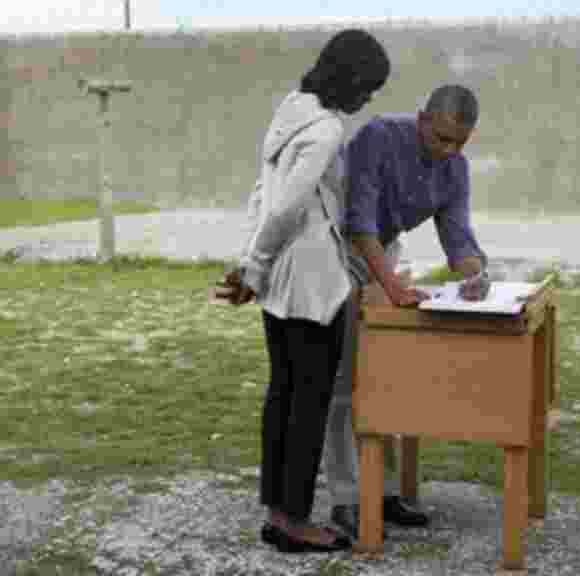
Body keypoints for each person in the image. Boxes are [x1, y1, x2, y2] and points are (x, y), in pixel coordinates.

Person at [212, 29, 390, 553]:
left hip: (280, 283)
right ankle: (293, 522)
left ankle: (279, 514)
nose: (367, 100)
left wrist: (252, 268)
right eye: (368, 88)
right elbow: (287, 208)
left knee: (283, 397)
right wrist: (254, 264)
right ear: (349, 78)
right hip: (314, 286)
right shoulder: (326, 130)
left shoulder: (289, 111)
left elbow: (261, 197)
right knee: (307, 402)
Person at [322, 84, 492, 540]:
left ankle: (386, 491)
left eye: (460, 142)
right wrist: (392, 286)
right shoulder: (377, 137)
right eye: (441, 138)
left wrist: (473, 274)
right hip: (333, 251)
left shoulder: (455, 168)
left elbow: (458, 237)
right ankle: (344, 498)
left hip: (383, 252)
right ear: (422, 119)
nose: (449, 150)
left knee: (384, 377)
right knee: (341, 381)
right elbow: (358, 222)